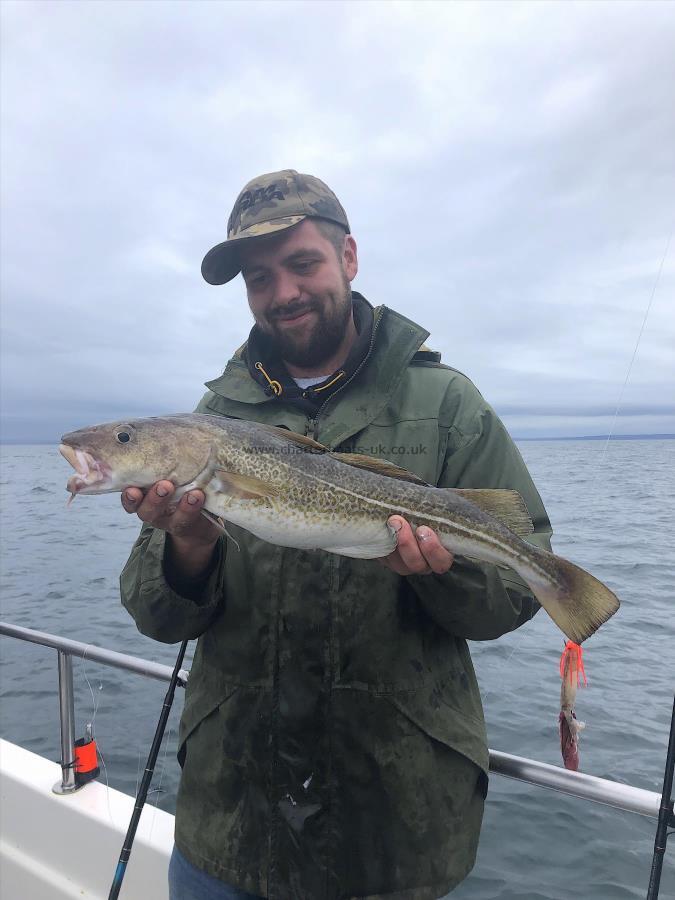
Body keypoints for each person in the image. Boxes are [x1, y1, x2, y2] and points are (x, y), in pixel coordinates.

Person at [120, 169, 552, 900]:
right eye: (259, 278)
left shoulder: (444, 403)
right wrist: (186, 549)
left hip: (392, 834)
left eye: (302, 264)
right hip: (229, 823)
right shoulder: (208, 422)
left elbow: (515, 594)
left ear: (348, 257)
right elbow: (156, 618)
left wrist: (440, 571)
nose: (281, 292)